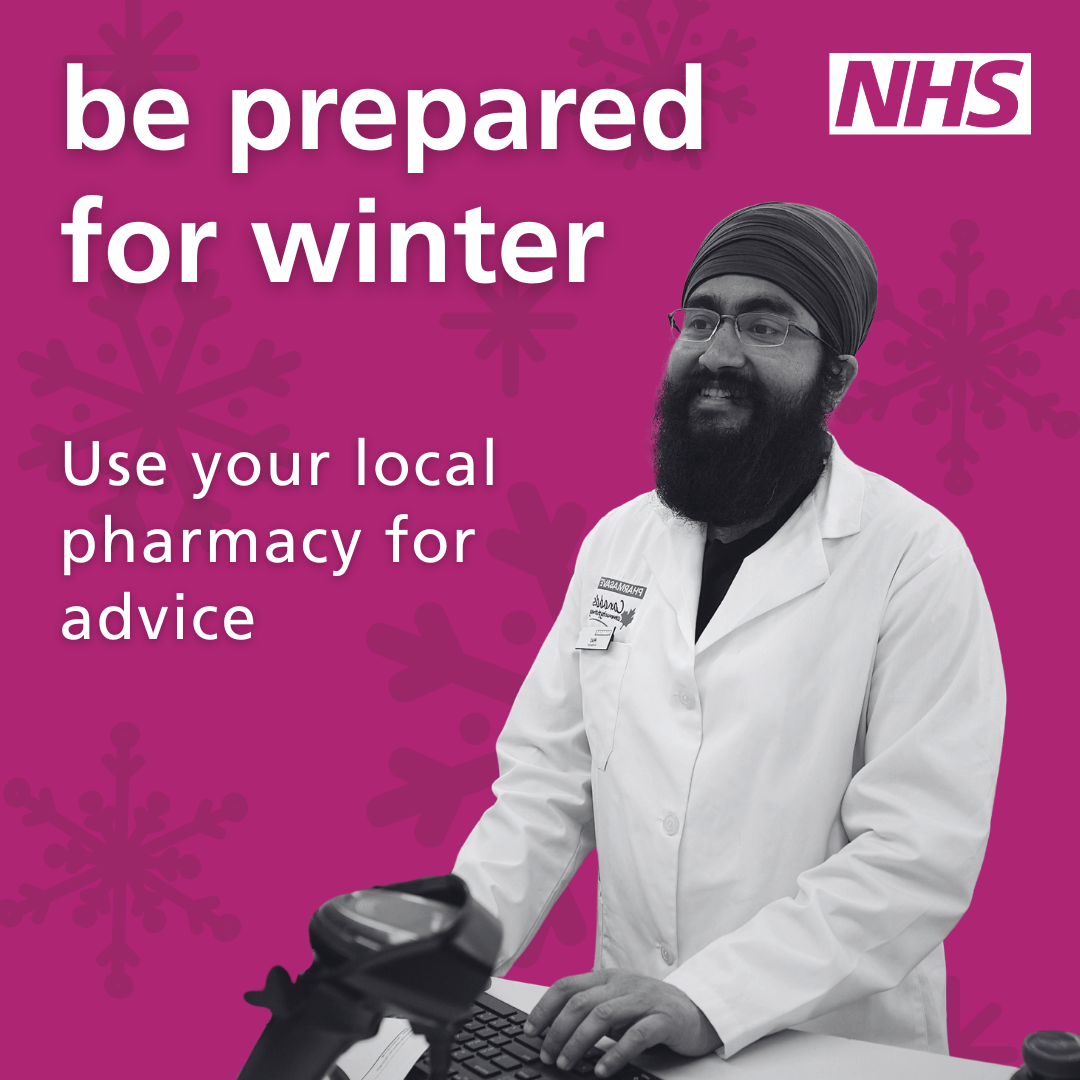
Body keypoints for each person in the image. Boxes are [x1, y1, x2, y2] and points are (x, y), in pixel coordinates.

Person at [452, 203, 1006, 1073]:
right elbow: (547, 787)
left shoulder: (914, 559)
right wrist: (441, 954)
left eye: (764, 325)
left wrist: (712, 996)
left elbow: (916, 853)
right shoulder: (619, 544)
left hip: (827, 1049)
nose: (718, 353)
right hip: (627, 1038)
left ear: (837, 376)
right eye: (702, 319)